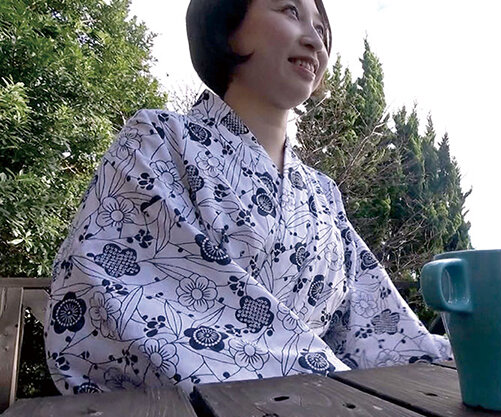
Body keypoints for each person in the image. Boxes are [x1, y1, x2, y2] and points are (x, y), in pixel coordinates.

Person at [45, 0, 451, 395]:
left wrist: (464, 353)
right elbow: (118, 292)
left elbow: (376, 321)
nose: (315, 41)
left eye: (321, 29)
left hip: (324, 409)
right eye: (290, 11)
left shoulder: (323, 192)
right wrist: (323, 381)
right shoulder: (158, 141)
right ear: (228, 28)